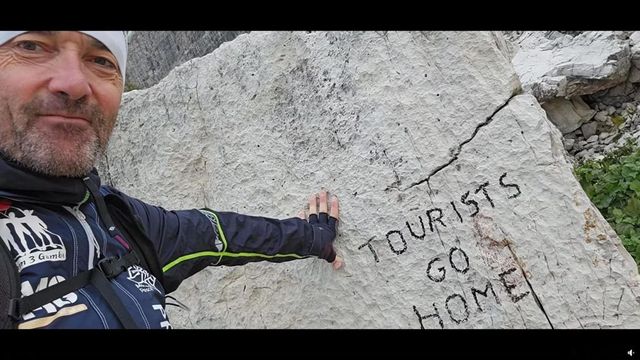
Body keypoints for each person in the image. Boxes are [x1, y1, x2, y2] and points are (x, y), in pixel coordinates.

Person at [0, 31, 343, 329]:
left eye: (101, 60)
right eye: (32, 46)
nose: (74, 84)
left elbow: (216, 233)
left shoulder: (114, 220)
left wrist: (313, 238)